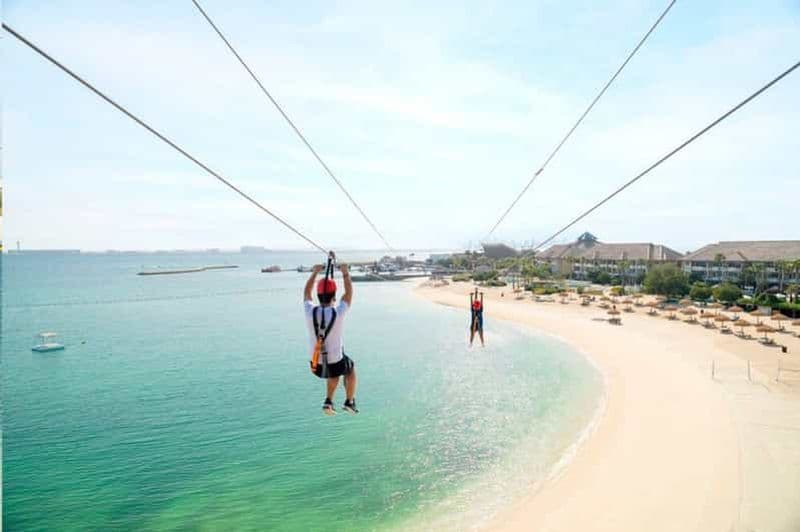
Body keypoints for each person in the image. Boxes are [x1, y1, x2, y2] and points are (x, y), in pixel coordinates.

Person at [303, 257, 358, 415]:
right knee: (350, 368)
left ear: (318, 296)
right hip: (334, 362)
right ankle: (349, 401)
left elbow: (306, 293)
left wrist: (315, 272)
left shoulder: (309, 312)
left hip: (316, 366)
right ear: (334, 295)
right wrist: (345, 272)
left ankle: (328, 401)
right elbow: (348, 294)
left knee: (333, 371)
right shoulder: (338, 312)